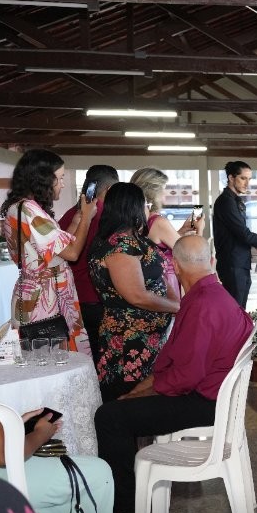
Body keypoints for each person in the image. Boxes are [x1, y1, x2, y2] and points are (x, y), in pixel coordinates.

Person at [94, 235, 253, 513]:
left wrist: (140, 395)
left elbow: (184, 377)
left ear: (175, 267)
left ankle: (128, 510)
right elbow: (174, 363)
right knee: (120, 405)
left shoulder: (202, 305)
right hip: (214, 395)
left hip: (205, 402)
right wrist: (138, 391)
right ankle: (128, 499)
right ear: (212, 262)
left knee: (109, 416)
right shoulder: (214, 295)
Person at [0, 288, 116, 513]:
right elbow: (1, 456)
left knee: (61, 485)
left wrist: (15, 422)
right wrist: (39, 434)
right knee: (97, 473)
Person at [89, 182, 179, 402]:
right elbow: (137, 296)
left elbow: (159, 274)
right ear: (133, 207)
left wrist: (174, 301)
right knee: (131, 399)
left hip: (151, 338)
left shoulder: (135, 240)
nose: (147, 208)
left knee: (151, 399)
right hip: (130, 341)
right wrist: (177, 307)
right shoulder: (118, 247)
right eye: (144, 204)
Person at [0, 149, 94, 354]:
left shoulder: (24, 208)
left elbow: (55, 251)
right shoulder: (29, 211)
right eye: (60, 178)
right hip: (43, 300)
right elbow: (72, 253)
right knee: (51, 359)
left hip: (42, 293)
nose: (62, 184)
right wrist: (86, 217)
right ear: (43, 180)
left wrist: (77, 221)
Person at [57, 164, 119, 363]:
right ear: (109, 189)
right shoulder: (108, 217)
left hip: (71, 297)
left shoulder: (70, 214)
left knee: (80, 357)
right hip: (97, 297)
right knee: (101, 358)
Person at [133, 167, 204, 298]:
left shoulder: (140, 219)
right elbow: (192, 254)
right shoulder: (158, 222)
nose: (165, 193)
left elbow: (158, 246)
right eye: (163, 189)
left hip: (148, 280)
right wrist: (200, 229)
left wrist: (181, 231)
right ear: (154, 192)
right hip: (166, 283)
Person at [212, 160, 257, 308]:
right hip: (232, 263)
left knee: (240, 309)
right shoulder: (226, 201)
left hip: (239, 261)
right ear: (231, 178)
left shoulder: (234, 200)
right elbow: (243, 234)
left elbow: (239, 233)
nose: (247, 183)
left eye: (249, 179)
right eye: (243, 178)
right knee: (235, 309)